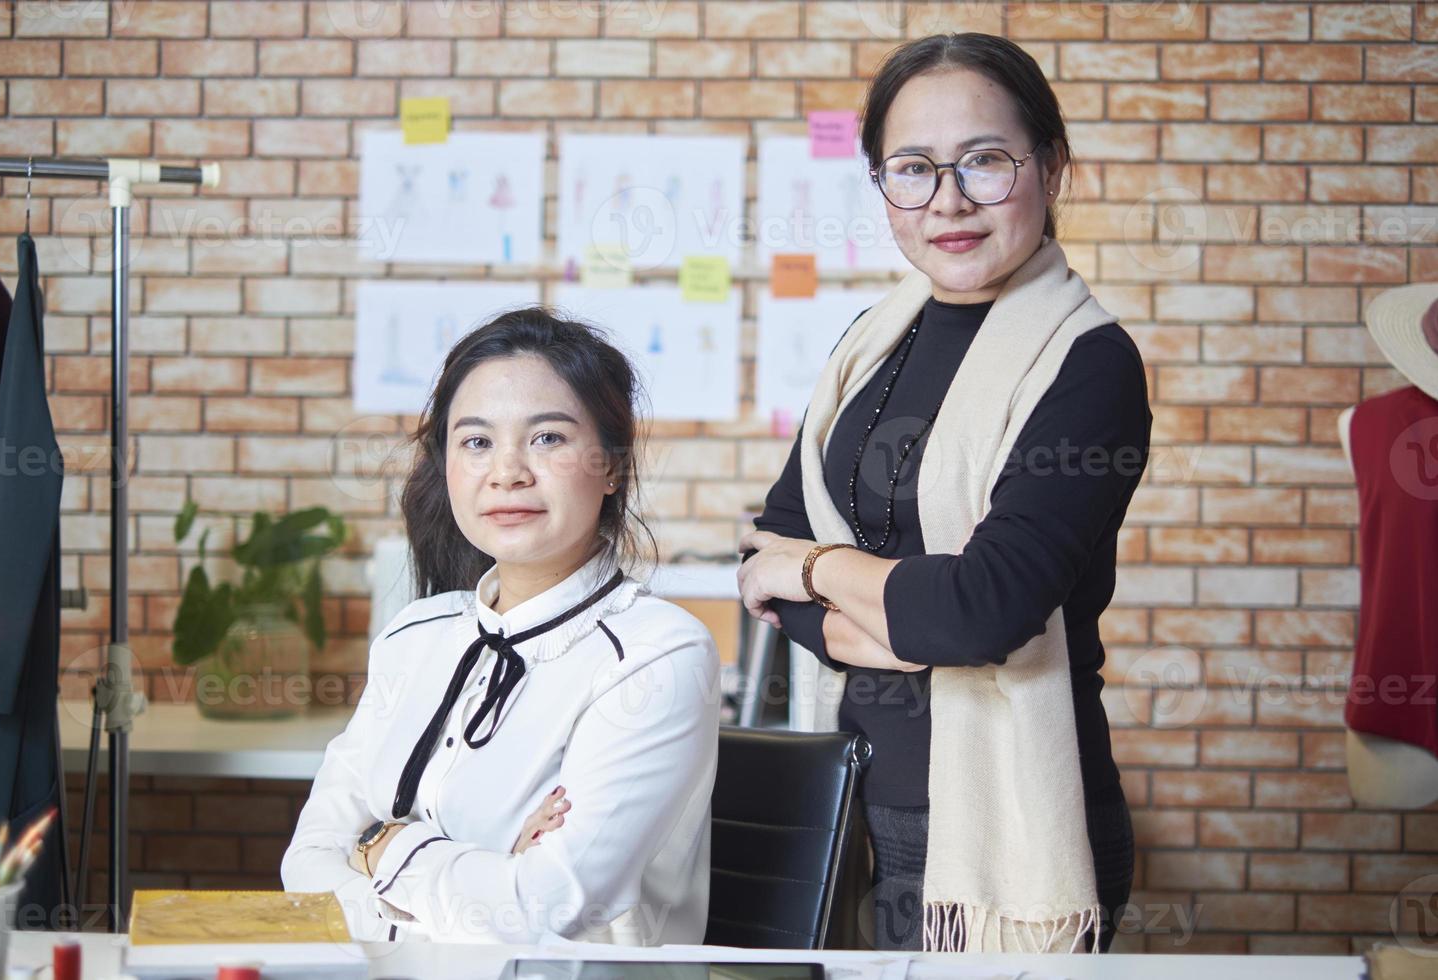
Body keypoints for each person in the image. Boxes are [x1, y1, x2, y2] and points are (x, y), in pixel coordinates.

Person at [737, 33, 1151, 954]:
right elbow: (768, 541)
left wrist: (815, 570)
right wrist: (873, 618)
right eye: (913, 169)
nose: (949, 201)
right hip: (856, 797)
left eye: (986, 162)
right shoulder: (872, 342)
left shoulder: (1087, 365)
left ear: (1051, 165)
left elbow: (978, 614)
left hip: (1011, 822)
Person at [283, 309, 720, 944]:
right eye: (477, 441)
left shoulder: (656, 655)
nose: (507, 471)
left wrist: (381, 843)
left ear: (612, 466)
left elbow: (541, 911)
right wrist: (488, 868)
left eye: (547, 438)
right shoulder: (414, 636)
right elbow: (306, 864)